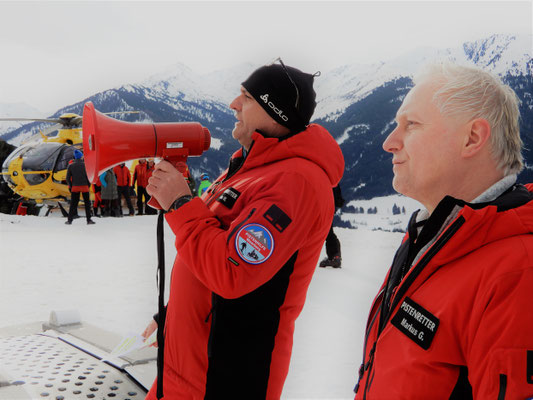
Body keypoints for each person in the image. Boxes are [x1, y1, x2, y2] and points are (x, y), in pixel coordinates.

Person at [144, 59, 344, 399]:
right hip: (183, 370)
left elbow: (231, 271)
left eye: (246, 97)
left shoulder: (296, 182)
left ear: (275, 111)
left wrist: (179, 203)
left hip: (224, 377)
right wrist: (172, 313)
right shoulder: (250, 166)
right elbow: (208, 243)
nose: (234, 105)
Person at [354, 63, 533, 399]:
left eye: (411, 125)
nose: (390, 143)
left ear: (472, 138)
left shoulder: (517, 274)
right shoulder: (433, 237)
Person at [65, 149, 94, 225]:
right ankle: (88, 220)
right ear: (81, 157)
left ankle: (69, 220)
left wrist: (71, 186)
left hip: (75, 187)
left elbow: (67, 178)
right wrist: (88, 185)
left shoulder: (71, 166)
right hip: (84, 186)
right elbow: (89, 176)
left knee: (73, 204)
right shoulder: (85, 165)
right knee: (87, 204)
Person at [319, 184, 344, 268]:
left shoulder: (319, 173)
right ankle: (335, 257)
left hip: (320, 206)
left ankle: (335, 257)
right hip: (328, 207)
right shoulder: (332, 177)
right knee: (328, 232)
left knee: (328, 233)